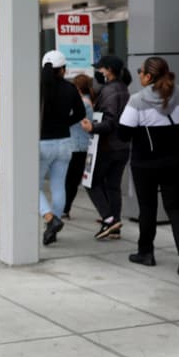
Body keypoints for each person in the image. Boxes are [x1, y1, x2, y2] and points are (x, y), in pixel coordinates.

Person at [119, 56, 179, 273]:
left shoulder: (137, 100)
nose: (138, 75)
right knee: (175, 208)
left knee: (147, 208)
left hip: (145, 164)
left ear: (148, 76)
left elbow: (124, 134)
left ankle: (146, 252)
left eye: (140, 71)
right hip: (175, 161)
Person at [80, 55, 132, 239]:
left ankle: (109, 218)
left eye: (100, 69)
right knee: (113, 186)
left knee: (90, 182)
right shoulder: (124, 89)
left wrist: (91, 127)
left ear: (109, 70)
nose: (98, 72)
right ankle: (114, 225)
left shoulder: (111, 91)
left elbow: (110, 121)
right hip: (122, 146)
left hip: (108, 146)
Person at [37, 50, 85, 245]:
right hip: (65, 142)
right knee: (59, 186)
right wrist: (65, 122)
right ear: (63, 69)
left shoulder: (38, 88)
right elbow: (80, 112)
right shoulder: (70, 88)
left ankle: (50, 218)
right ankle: (52, 231)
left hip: (42, 142)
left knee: (32, 185)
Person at [63, 73, 94, 220]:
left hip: (76, 146)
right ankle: (65, 208)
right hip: (82, 145)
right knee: (72, 180)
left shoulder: (82, 103)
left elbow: (66, 118)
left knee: (70, 180)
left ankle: (65, 208)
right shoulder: (89, 101)